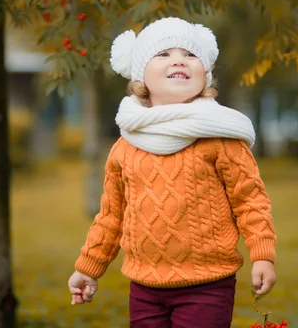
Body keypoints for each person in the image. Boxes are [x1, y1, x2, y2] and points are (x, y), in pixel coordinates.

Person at [68, 17, 277, 328]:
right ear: (141, 77)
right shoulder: (126, 146)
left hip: (207, 284)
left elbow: (250, 200)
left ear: (204, 74)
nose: (179, 59)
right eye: (164, 54)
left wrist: (262, 254)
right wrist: (89, 266)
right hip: (144, 285)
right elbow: (112, 216)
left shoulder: (220, 137)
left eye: (190, 55)